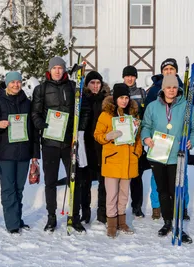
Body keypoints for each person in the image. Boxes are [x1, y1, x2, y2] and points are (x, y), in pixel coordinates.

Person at [31, 56, 89, 233]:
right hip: (50, 142)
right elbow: (35, 113)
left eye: (60, 68)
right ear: (49, 70)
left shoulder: (73, 87)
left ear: (64, 70)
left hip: (69, 142)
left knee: (74, 180)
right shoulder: (41, 89)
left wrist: (79, 129)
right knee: (50, 182)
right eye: (54, 68)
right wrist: (42, 126)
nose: (57, 71)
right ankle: (51, 217)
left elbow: (84, 110)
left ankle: (75, 217)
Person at [141, 74, 194, 243]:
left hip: (177, 156)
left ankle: (178, 223)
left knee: (177, 192)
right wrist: (146, 138)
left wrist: (192, 140)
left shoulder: (186, 107)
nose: (171, 90)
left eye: (174, 87)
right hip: (158, 155)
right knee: (162, 190)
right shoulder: (153, 107)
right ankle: (167, 221)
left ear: (178, 89)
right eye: (168, 87)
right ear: (163, 89)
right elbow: (146, 126)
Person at [0, 71, 40, 235]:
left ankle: (17, 219)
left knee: (19, 189)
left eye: (18, 82)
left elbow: (32, 131)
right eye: (12, 82)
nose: (16, 85)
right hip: (5, 154)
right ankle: (12, 224)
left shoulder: (27, 103)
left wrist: (34, 154)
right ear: (7, 84)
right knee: (8, 189)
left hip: (24, 153)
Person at [94, 83, 143, 238]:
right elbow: (97, 135)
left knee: (124, 194)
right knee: (112, 194)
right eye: (121, 98)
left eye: (126, 98)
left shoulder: (134, 115)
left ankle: (122, 222)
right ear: (115, 99)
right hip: (112, 160)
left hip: (128, 160)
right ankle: (112, 224)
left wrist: (137, 153)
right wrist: (107, 137)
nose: (124, 101)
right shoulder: (106, 115)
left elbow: (138, 139)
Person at [80, 71, 110, 224]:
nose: (95, 86)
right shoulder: (82, 99)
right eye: (92, 83)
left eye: (98, 83)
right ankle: (85, 212)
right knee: (85, 180)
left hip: (103, 145)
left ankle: (102, 212)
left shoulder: (107, 100)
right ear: (87, 84)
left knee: (103, 180)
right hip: (86, 144)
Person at [117, 65, 147, 218]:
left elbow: (146, 115)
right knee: (120, 176)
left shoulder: (141, 93)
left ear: (136, 77)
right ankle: (118, 206)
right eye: (127, 76)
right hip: (121, 140)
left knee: (136, 175)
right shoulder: (117, 92)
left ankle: (137, 206)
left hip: (136, 140)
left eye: (132, 76)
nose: (129, 78)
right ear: (123, 77)